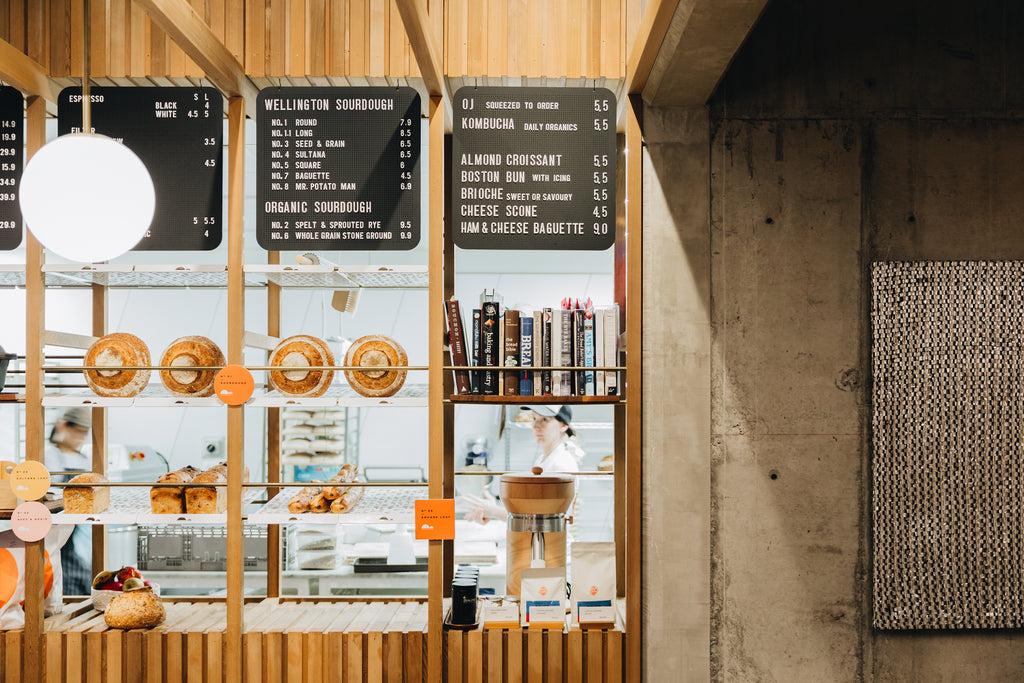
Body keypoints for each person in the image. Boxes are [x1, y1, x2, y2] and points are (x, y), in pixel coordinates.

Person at [460, 405, 585, 524]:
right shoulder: (543, 460)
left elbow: (540, 521)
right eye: (534, 418)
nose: (536, 426)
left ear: (563, 426)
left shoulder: (561, 465)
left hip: (553, 544)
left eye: (545, 420)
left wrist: (495, 511)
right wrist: (493, 511)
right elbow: (532, 510)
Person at [44, 406, 93, 595]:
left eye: (85, 433)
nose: (82, 437)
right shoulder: (51, 455)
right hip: (58, 527)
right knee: (61, 574)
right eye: (79, 432)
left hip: (81, 527)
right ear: (64, 426)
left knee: (83, 574)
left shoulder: (85, 459)